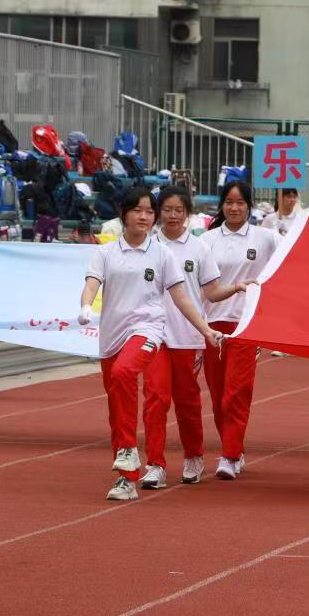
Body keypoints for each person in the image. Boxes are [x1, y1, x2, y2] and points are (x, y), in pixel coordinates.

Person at [79, 189, 232, 501]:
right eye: (139, 210)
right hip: (113, 336)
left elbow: (183, 298)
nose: (145, 216)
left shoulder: (168, 254)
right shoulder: (106, 253)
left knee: (158, 390)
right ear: (124, 213)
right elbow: (92, 283)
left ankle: (163, 460)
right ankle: (126, 477)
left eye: (149, 211)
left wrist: (206, 330)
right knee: (124, 402)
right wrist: (85, 306)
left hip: (153, 332)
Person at [198, 180, 278, 480]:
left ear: (249, 206)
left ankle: (229, 456)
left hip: (246, 325)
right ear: (222, 205)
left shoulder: (265, 238)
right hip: (212, 325)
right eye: (229, 202)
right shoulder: (206, 241)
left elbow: (292, 256)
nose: (234, 208)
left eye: (240, 203)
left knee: (237, 391)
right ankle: (234, 448)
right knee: (219, 394)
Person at [151, 186, 222, 487]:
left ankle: (194, 455)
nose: (172, 215)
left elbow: (212, 291)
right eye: (167, 209)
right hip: (153, 334)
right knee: (155, 397)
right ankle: (155, 464)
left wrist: (239, 288)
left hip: (187, 336)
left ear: (188, 214)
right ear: (158, 212)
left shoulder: (199, 249)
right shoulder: (148, 246)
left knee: (186, 400)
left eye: (178, 210)